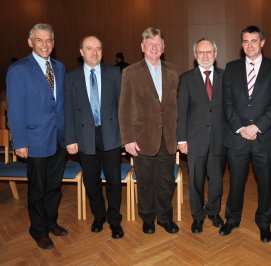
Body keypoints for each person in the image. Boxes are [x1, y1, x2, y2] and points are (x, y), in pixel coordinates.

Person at [220, 25, 271, 242]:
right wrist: (241, 128)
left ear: (262, 42)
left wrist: (257, 127)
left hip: (264, 137)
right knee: (236, 182)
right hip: (236, 137)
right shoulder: (231, 68)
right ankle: (232, 218)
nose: (249, 45)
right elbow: (227, 102)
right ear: (241, 44)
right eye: (245, 41)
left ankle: (264, 221)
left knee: (265, 183)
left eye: (253, 41)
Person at [6, 23, 67, 249]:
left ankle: (51, 222)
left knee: (54, 187)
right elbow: (16, 109)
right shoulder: (19, 70)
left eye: (49, 40)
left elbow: (60, 105)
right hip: (35, 140)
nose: (45, 44)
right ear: (30, 42)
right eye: (40, 40)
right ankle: (38, 229)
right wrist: (19, 141)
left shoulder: (59, 67)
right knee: (38, 189)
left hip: (58, 138)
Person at [119, 27, 180, 234]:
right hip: (142, 138)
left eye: (158, 44)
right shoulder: (130, 72)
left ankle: (164, 218)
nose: (154, 47)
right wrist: (128, 138)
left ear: (163, 48)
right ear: (142, 47)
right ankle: (148, 218)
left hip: (168, 137)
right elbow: (124, 108)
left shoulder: (173, 71)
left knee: (166, 181)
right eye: (150, 44)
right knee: (145, 181)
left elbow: (176, 106)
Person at [64, 36, 124, 239]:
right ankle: (99, 216)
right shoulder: (71, 77)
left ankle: (115, 219)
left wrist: (125, 136)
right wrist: (70, 139)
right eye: (90, 48)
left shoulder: (114, 73)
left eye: (98, 48)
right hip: (84, 136)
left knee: (114, 181)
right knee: (91, 181)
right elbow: (68, 109)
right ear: (81, 51)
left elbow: (121, 107)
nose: (94, 52)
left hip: (111, 135)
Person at [177, 38, 226, 234]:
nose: (205, 56)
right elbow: (181, 111)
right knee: (196, 181)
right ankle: (197, 216)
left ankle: (213, 212)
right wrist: (181, 139)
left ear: (215, 55)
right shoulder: (186, 79)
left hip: (219, 140)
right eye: (200, 52)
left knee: (216, 180)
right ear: (195, 55)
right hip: (194, 140)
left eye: (209, 52)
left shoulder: (226, 77)